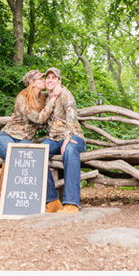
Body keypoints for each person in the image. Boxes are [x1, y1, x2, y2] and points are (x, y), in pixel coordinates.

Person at [0, 70, 62, 212]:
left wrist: (57, 92)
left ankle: (50, 201)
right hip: (6, 137)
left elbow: (45, 118)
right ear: (32, 82)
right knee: (13, 155)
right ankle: (2, 202)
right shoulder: (22, 98)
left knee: (30, 155)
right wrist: (52, 101)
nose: (44, 80)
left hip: (25, 140)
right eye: (40, 78)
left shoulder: (43, 98)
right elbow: (37, 118)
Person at [42, 67, 86, 213]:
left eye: (54, 78)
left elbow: (71, 114)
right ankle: (53, 200)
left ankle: (71, 203)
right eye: (48, 78)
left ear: (59, 81)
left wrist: (68, 137)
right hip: (54, 139)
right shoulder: (46, 97)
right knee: (39, 154)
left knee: (69, 151)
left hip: (73, 136)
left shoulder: (65, 93)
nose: (50, 80)